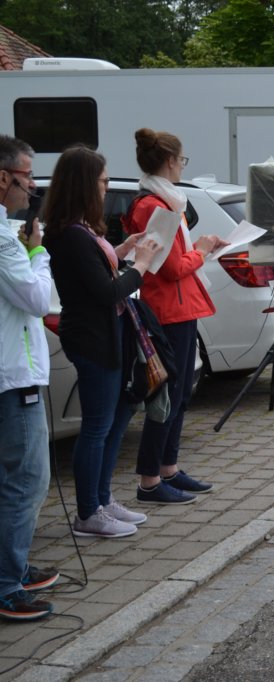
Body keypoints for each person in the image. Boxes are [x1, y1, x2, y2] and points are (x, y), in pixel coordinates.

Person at [43, 146, 162, 538]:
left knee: (115, 418)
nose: (107, 187)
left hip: (108, 336)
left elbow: (100, 275)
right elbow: (106, 292)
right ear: (83, 183)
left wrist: (124, 251)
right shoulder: (70, 235)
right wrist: (141, 265)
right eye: (103, 181)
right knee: (96, 426)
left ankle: (101, 498)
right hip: (93, 339)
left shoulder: (81, 230)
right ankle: (87, 512)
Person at [123, 128, 228, 505]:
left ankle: (167, 468)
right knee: (166, 395)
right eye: (182, 160)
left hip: (179, 307)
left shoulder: (166, 201)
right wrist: (202, 251)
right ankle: (150, 480)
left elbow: (174, 260)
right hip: (167, 310)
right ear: (170, 161)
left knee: (180, 393)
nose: (183, 166)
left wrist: (200, 248)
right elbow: (169, 270)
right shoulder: (155, 206)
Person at [0, 135, 60, 621]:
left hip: (14, 372)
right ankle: (7, 584)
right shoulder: (4, 240)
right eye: (27, 176)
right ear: (3, 178)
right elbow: (40, 301)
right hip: (12, 378)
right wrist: (38, 252)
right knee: (27, 482)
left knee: (16, 480)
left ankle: (13, 566)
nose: (33, 186)